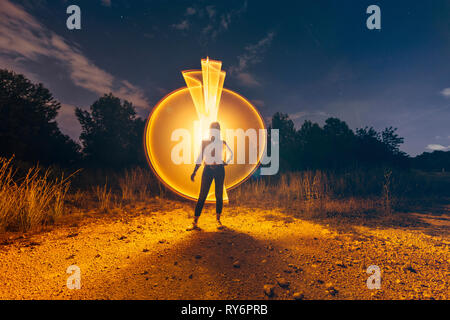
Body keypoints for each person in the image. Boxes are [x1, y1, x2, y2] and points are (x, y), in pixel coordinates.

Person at [187, 122, 233, 231]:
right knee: (202, 195)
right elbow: (200, 157)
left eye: (216, 130)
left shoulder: (222, 142)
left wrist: (226, 162)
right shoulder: (205, 142)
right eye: (213, 129)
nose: (214, 131)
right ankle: (195, 221)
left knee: (218, 194)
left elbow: (231, 154)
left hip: (219, 170)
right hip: (207, 170)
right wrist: (195, 171)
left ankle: (218, 220)